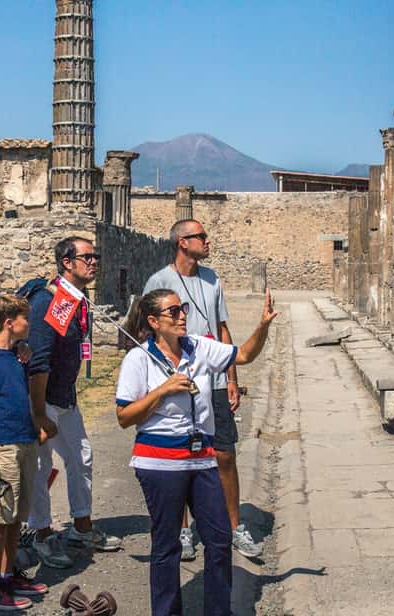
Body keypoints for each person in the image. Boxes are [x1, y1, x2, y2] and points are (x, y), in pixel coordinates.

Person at [116, 288, 279, 616]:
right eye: (173, 311)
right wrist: (162, 391)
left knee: (219, 539)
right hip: (159, 462)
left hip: (201, 458)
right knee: (167, 545)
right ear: (153, 321)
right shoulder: (138, 358)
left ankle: (219, 610)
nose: (182, 316)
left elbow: (243, 355)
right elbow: (124, 417)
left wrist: (262, 327)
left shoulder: (199, 348)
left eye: (183, 309)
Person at [143, 219, 262, 561]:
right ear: (182, 242)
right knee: (180, 456)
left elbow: (222, 329)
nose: (207, 241)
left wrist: (232, 379)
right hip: (179, 379)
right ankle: (183, 530)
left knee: (224, 454)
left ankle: (233, 525)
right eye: (201, 236)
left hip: (215, 380)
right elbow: (148, 332)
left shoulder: (212, 278)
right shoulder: (160, 281)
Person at [22, 236, 120, 568]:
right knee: (40, 467)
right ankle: (42, 533)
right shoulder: (52, 301)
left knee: (81, 457)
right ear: (67, 262)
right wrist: (38, 413)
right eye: (87, 257)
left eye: (97, 256)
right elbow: (40, 360)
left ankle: (81, 526)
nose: (94, 262)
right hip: (43, 400)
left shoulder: (73, 300)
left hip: (65, 397)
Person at [0, 295, 51, 610]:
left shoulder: (21, 356)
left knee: (17, 515)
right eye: (24, 318)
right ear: (9, 322)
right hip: (2, 445)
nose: (28, 324)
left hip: (26, 441)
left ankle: (8, 573)